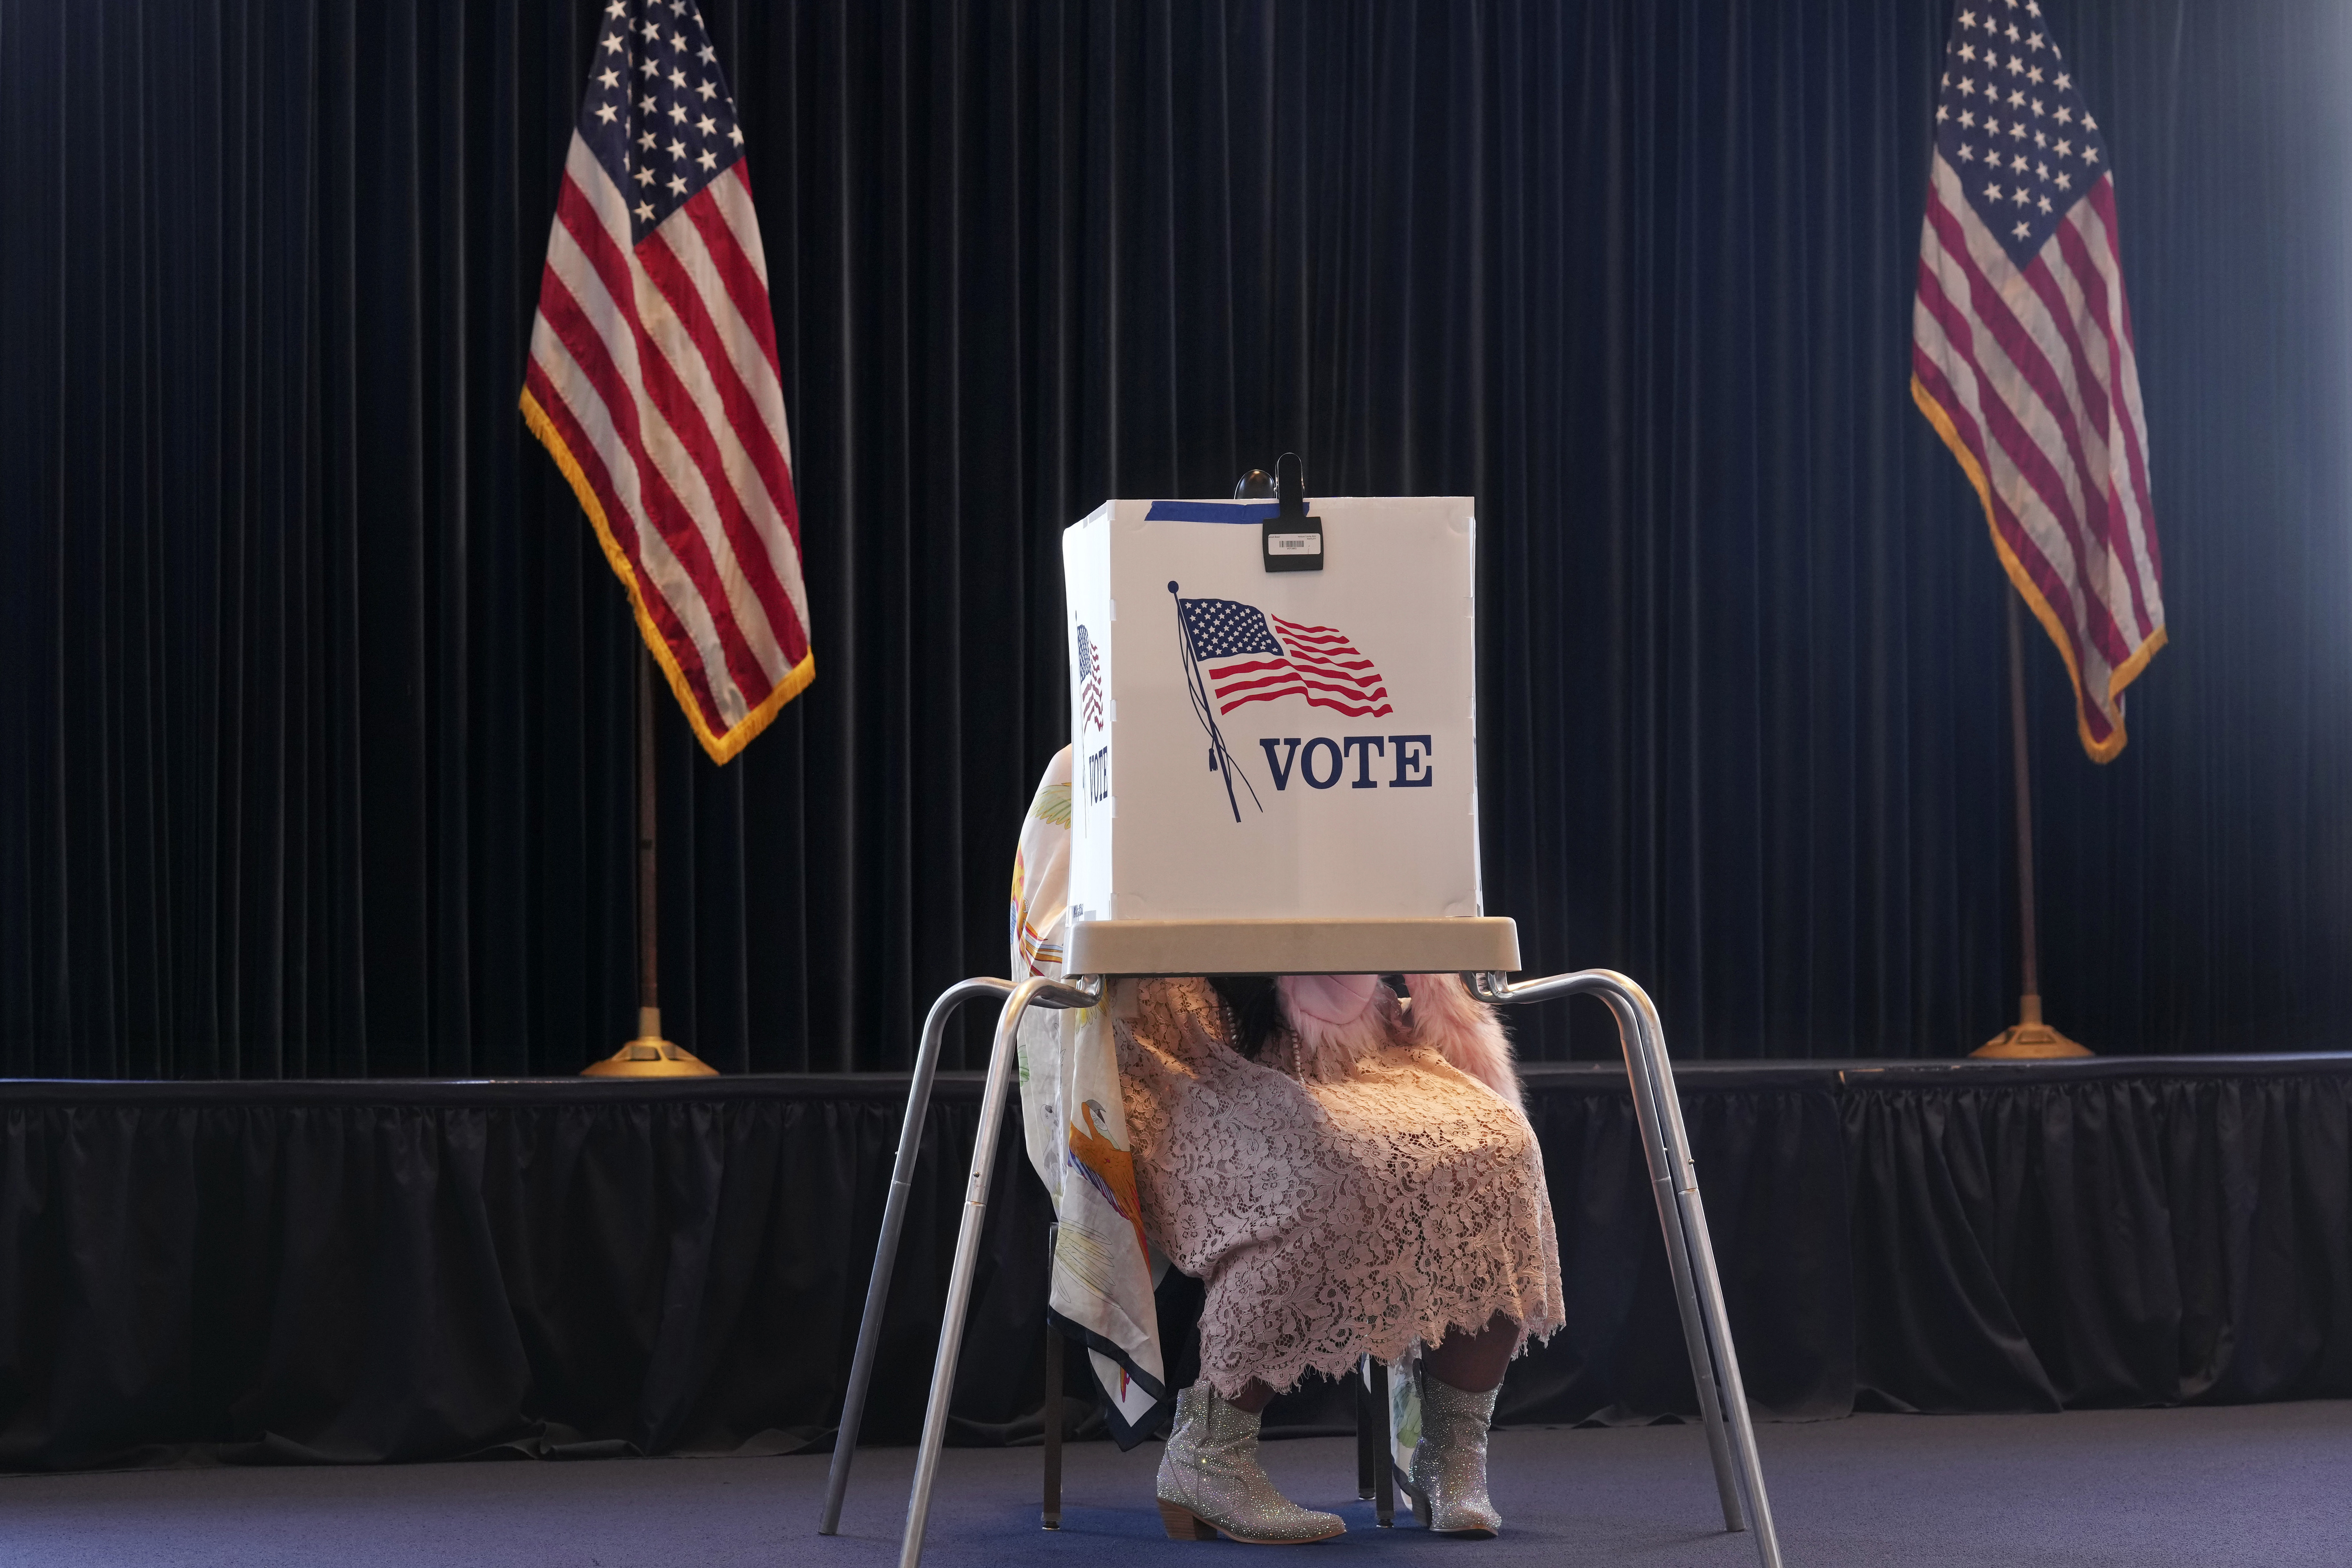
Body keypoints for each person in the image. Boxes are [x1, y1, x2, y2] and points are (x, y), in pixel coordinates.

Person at [1011, 747, 1565, 1543]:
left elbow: (1405, 879)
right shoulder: (1096, 755)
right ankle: (1209, 1451)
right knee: (1324, 1170)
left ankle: (1449, 1451)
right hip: (1170, 1049)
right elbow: (1055, 930)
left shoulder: (1324, 742)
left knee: (1499, 1144)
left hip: (1340, 1050)